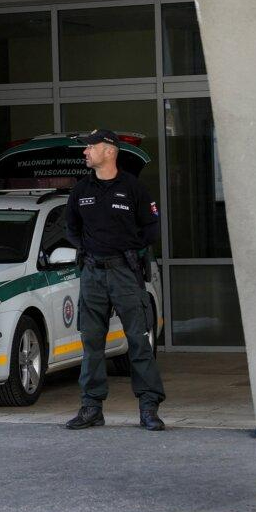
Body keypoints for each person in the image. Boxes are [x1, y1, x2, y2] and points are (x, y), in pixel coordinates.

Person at [63, 129, 166, 431]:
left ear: (109, 151)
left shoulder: (133, 188)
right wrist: (88, 250)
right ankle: (91, 408)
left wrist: (130, 252)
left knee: (138, 340)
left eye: (90, 147)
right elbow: (70, 228)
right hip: (92, 273)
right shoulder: (81, 190)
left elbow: (151, 229)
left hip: (124, 272)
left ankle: (148, 408)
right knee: (91, 342)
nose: (85, 152)